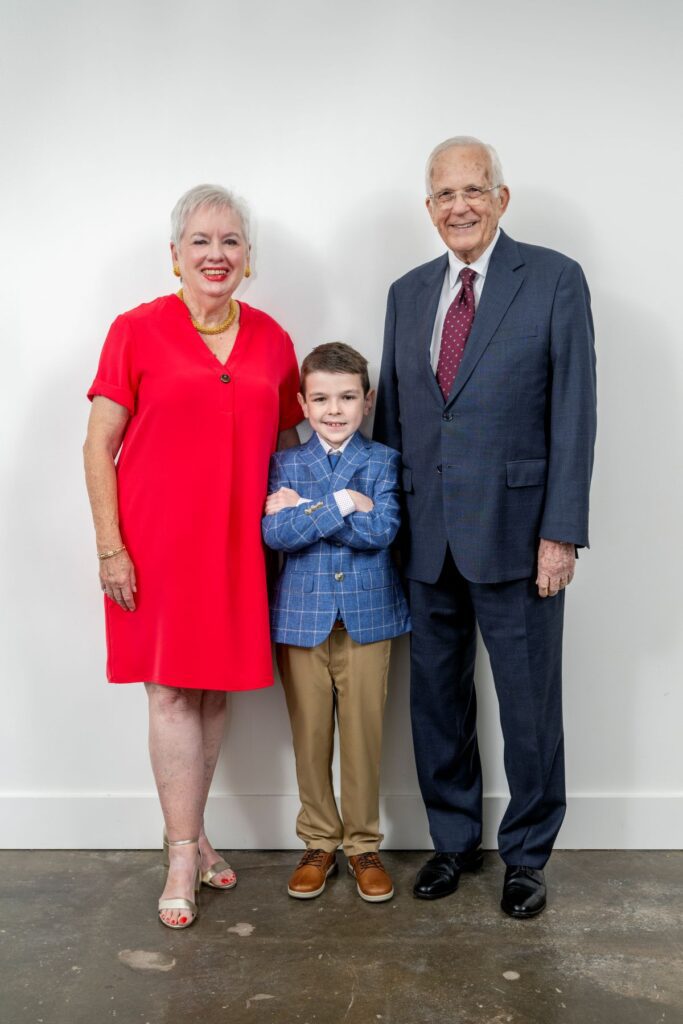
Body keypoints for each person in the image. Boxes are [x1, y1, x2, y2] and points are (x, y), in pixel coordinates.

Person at [373, 137, 597, 918]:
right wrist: (387, 530)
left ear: (501, 198)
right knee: (435, 701)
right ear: (427, 208)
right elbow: (394, 419)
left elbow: (573, 412)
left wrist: (560, 530)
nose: (458, 207)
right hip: (425, 537)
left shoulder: (553, 280)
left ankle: (527, 855)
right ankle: (453, 840)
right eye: (443, 195)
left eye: (473, 190)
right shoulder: (406, 293)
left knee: (528, 703)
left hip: (518, 532)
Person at [83, 184, 302, 929]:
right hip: (156, 545)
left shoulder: (273, 339)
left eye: (231, 241)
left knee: (213, 693)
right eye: (201, 241)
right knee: (170, 692)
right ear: (174, 255)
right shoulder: (135, 330)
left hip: (241, 547)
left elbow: (289, 450)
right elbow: (98, 445)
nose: (217, 255)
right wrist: (111, 548)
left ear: (249, 256)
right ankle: (181, 852)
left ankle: (197, 831)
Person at [262, 343, 410, 902]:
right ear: (301, 402)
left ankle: (362, 844)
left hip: (370, 620)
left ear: (366, 401)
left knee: (365, 735)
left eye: (347, 397)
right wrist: (347, 502)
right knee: (311, 734)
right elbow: (275, 536)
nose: (334, 409)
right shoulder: (283, 463)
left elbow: (384, 533)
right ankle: (319, 841)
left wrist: (307, 509)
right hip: (302, 621)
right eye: (321, 398)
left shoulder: (383, 461)